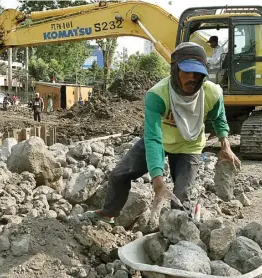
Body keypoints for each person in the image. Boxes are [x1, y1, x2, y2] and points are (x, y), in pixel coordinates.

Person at [84, 42, 241, 224]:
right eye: (186, 71)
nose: (192, 78)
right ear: (174, 70)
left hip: (189, 146)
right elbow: (153, 138)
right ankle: (109, 212)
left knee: (182, 197)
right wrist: (157, 181)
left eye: (197, 73)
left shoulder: (213, 93)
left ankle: (183, 224)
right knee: (119, 175)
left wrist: (226, 145)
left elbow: (219, 118)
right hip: (161, 140)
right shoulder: (158, 95)